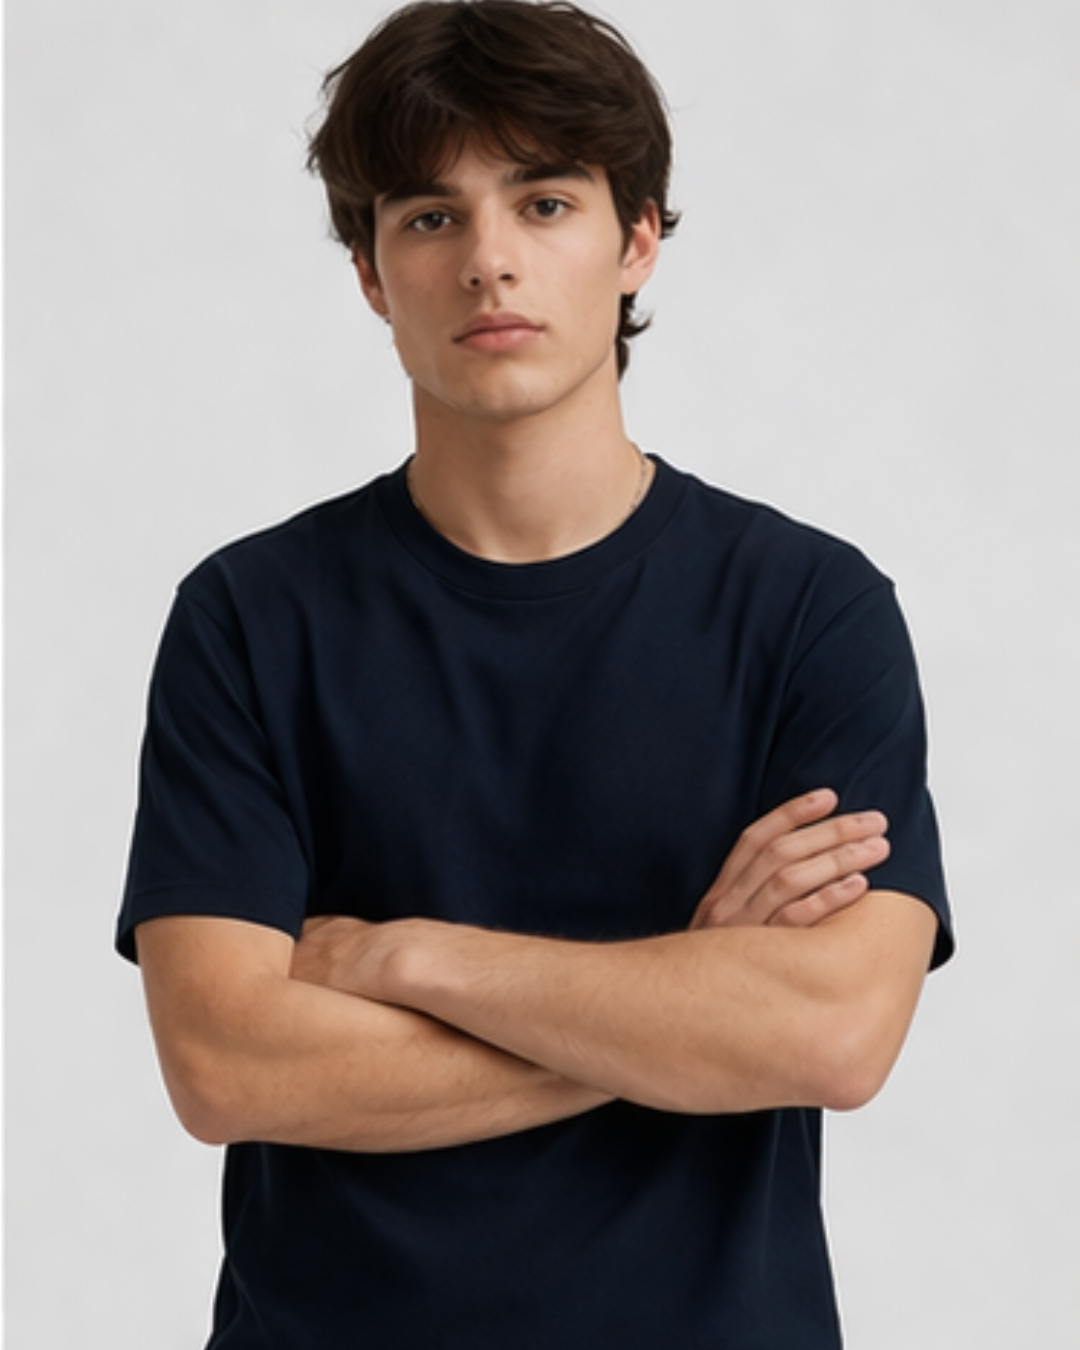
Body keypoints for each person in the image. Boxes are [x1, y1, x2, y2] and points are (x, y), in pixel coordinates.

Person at [117, 2, 953, 1345]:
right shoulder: (248, 616)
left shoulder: (810, 607)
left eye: (546, 203)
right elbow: (225, 1063)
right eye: (431, 217)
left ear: (636, 240)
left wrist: (403, 956)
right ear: (373, 273)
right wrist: (686, 994)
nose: (489, 262)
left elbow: (835, 1034)